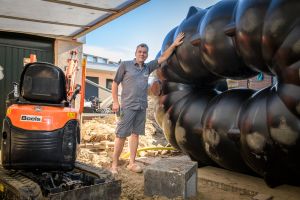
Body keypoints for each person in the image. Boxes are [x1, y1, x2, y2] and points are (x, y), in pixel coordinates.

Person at [110, 32, 185, 174]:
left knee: (135, 134)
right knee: (121, 135)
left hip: (141, 106)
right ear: (135, 53)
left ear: (147, 55)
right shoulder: (125, 65)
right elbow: (115, 83)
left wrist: (174, 45)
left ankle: (132, 163)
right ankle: (114, 165)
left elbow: (163, 57)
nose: (142, 54)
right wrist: (115, 102)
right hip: (127, 106)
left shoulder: (147, 67)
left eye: (145, 52)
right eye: (140, 51)